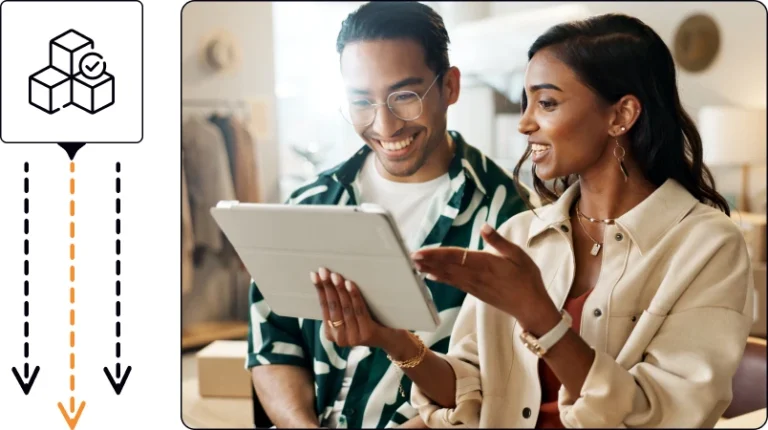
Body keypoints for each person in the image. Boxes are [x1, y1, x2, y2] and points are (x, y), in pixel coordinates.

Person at [318, 13, 755, 428]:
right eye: (527, 102)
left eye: (546, 102)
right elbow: (470, 395)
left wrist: (541, 317)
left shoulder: (708, 246)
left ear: (621, 115)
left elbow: (666, 415)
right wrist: (392, 339)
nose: (524, 123)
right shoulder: (518, 236)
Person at [245, 2, 530, 428]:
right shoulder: (308, 204)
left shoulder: (508, 218)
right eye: (362, 101)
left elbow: (501, 384)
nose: (384, 125)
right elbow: (273, 345)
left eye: (405, 97)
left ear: (450, 87)